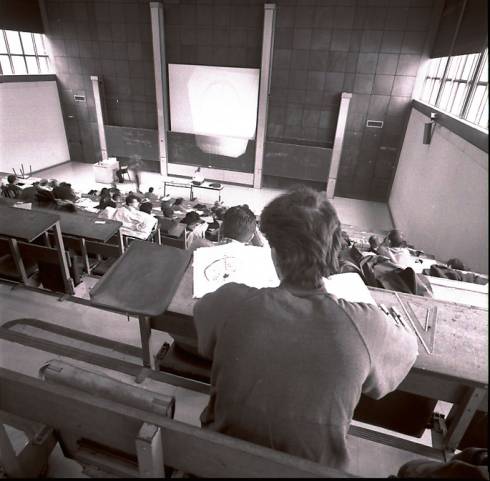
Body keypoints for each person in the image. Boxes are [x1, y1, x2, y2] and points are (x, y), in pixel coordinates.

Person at [193, 186, 418, 470]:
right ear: (334, 253)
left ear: (273, 255)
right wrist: (390, 320)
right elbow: (405, 356)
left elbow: (203, 336)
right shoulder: (368, 323)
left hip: (219, 462)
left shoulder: (230, 300)